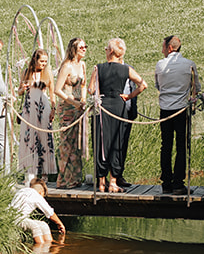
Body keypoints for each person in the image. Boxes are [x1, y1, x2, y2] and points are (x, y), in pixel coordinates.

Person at [88, 38, 146, 193]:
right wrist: (129, 96)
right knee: (117, 143)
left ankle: (101, 182)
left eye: (106, 49)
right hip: (119, 108)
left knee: (102, 142)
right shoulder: (126, 69)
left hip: (103, 107)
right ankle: (113, 181)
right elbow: (143, 85)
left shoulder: (98, 68)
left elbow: (90, 89)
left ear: (111, 51)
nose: (105, 51)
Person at [156, 35, 199, 195]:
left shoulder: (160, 64)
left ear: (169, 48)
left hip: (165, 109)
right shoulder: (189, 64)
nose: (161, 50)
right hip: (181, 109)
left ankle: (166, 183)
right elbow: (196, 86)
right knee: (181, 146)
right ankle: (178, 183)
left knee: (166, 145)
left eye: (162, 46)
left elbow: (157, 85)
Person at [53, 37, 89, 188]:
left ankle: (75, 178)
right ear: (74, 49)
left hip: (79, 107)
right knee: (67, 143)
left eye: (85, 46)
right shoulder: (66, 66)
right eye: (81, 47)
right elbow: (57, 90)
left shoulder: (82, 65)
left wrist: (84, 99)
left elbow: (84, 85)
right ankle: (63, 179)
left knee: (77, 144)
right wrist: (73, 101)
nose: (84, 49)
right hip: (67, 107)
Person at [17, 48, 56, 179]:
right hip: (29, 107)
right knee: (29, 139)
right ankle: (29, 171)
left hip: (43, 106)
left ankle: (44, 172)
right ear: (35, 60)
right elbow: (19, 92)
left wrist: (53, 109)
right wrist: (23, 88)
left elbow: (52, 92)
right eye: (42, 61)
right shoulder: (27, 72)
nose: (44, 64)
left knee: (43, 138)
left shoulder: (47, 73)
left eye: (46, 62)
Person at [11, 178, 66, 245]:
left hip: (13, 218)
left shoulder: (21, 191)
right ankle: (41, 248)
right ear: (41, 192)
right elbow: (50, 213)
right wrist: (60, 224)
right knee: (35, 227)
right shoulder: (36, 195)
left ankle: (50, 245)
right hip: (18, 220)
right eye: (43, 195)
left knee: (44, 225)